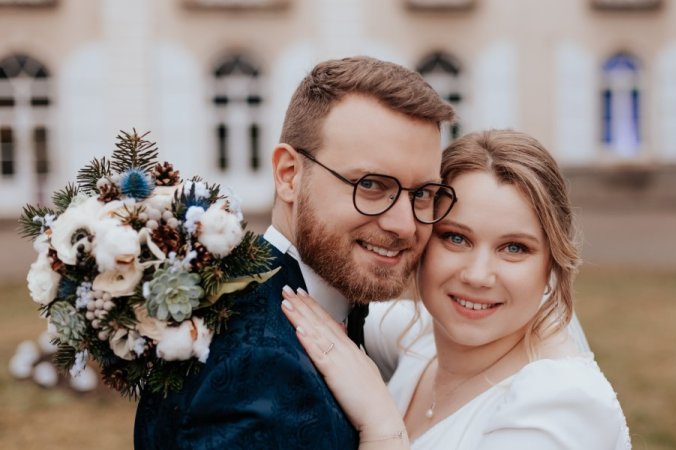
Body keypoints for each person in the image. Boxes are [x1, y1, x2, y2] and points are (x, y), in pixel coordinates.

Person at [133, 56, 456, 449]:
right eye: (371, 185)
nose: (405, 224)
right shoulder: (257, 366)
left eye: (422, 193)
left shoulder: (272, 297)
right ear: (289, 175)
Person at [281, 129, 631, 449]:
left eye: (514, 248)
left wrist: (382, 427)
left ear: (551, 263)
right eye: (456, 238)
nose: (478, 276)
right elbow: (312, 303)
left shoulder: (561, 403)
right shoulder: (418, 335)